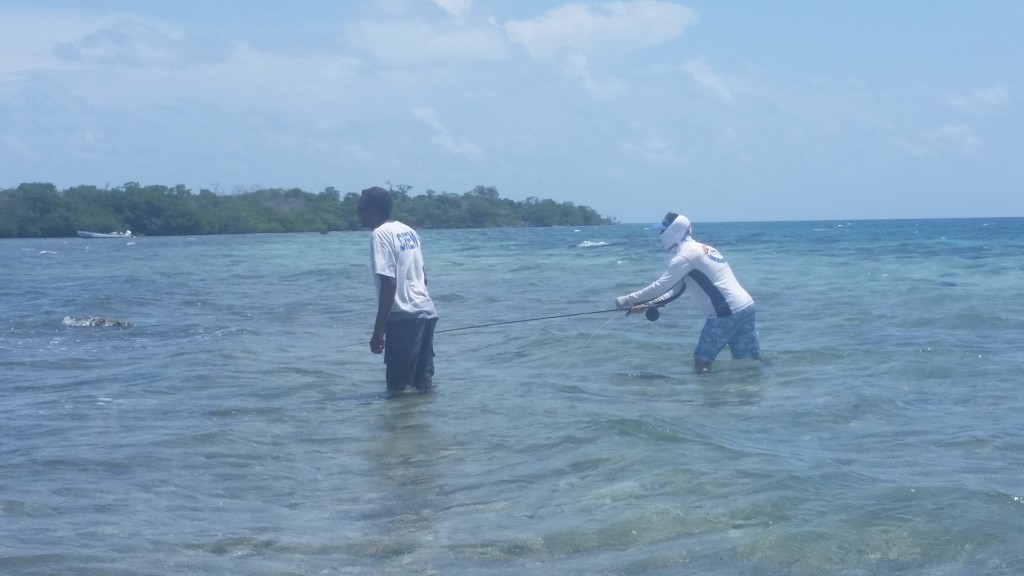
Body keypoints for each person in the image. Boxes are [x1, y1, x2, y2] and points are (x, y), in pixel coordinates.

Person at [615, 212, 760, 374]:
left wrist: (627, 300)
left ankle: (711, 398)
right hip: (746, 306)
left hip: (725, 312)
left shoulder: (685, 256)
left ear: (673, 232)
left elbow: (660, 287)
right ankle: (752, 394)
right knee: (748, 359)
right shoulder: (705, 249)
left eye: (662, 230)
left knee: (702, 359)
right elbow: (676, 290)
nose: (660, 234)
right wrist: (647, 304)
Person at [357, 186, 438, 396]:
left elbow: (389, 283)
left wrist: (378, 332)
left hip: (404, 318)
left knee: (398, 389)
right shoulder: (408, 231)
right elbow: (424, 277)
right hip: (426, 312)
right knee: (423, 385)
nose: (359, 213)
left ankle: (397, 428)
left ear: (373, 210)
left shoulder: (380, 235)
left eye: (361, 208)